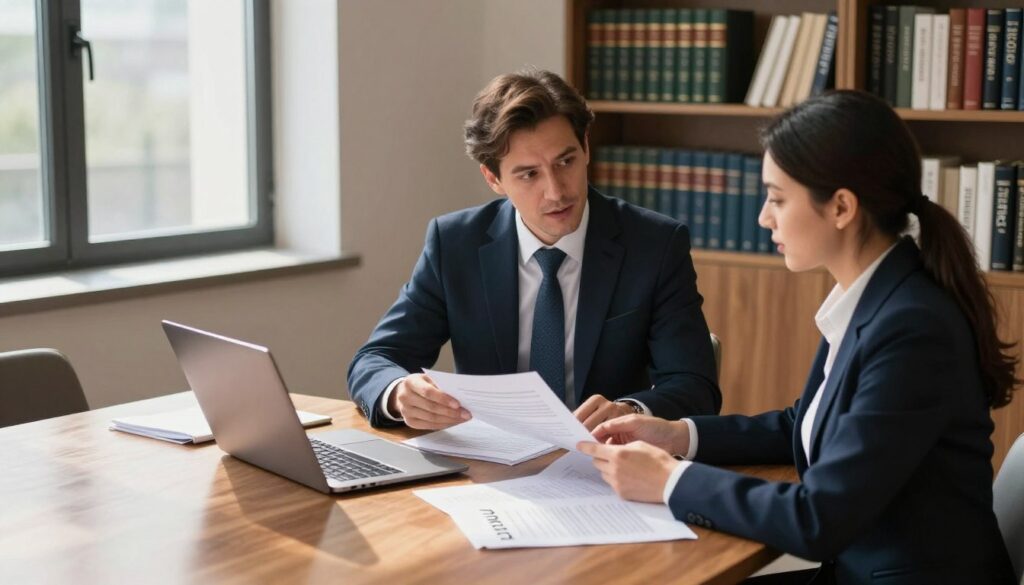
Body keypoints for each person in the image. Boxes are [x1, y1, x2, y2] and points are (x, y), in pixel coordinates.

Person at [578, 90, 1020, 584]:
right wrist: (678, 435)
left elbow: (819, 519)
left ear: (842, 207)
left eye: (778, 198)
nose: (764, 217)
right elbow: (804, 423)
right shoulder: (873, 296)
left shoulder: (912, 328)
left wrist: (669, 480)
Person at [347, 69, 720, 431]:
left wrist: (630, 411)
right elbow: (376, 360)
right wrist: (399, 393)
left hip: (604, 465)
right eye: (529, 174)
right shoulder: (455, 243)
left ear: (586, 147)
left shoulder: (654, 245)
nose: (557, 191)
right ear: (493, 179)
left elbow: (694, 386)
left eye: (566, 161)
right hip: (488, 466)